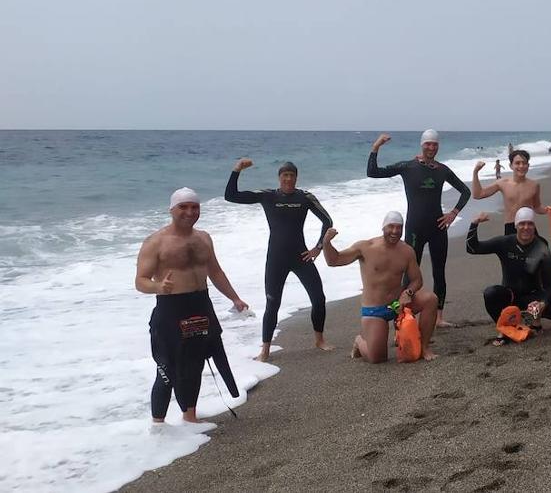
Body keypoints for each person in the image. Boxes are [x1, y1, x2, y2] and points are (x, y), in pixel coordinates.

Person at [135, 188, 249, 424]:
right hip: (171, 308)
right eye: (183, 207)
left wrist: (234, 298)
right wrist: (158, 287)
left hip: (201, 304)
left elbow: (215, 271)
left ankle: (190, 417)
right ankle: (158, 426)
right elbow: (140, 281)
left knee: (196, 363)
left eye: (194, 207)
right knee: (167, 368)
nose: (190, 212)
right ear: (172, 210)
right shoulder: (156, 242)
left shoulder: (204, 238)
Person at [225, 158, 333, 362]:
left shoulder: (306, 197)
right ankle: (265, 350)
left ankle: (319, 340)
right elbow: (231, 196)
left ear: (296, 178)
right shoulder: (268, 196)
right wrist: (237, 169)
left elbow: (327, 220)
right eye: (285, 175)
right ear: (279, 178)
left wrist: (318, 248)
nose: (289, 179)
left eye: (292, 175)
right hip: (276, 259)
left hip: (301, 256)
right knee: (272, 304)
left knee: (318, 299)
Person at [368, 130, 471, 327]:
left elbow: (465, 191)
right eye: (428, 144)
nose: (431, 147)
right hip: (415, 228)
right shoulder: (408, 166)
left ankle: (439, 317)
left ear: (438, 146)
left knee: (439, 272)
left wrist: (453, 213)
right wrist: (376, 147)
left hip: (438, 227)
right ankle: (406, 316)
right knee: (408, 274)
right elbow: (373, 172)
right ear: (421, 145)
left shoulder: (442, 170)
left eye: (434, 144)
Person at [322, 212, 439, 363]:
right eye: (391, 226)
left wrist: (408, 292)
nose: (395, 231)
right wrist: (326, 243)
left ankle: (424, 348)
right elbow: (334, 260)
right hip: (375, 309)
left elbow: (417, 280)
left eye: (399, 227)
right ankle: (359, 341)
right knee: (377, 358)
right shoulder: (365, 247)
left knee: (430, 299)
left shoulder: (406, 251)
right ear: (383, 227)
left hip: (398, 304)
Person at [466, 208, 551, 344]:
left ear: (534, 226)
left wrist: (542, 303)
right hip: (510, 296)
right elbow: (472, 248)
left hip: (532, 297)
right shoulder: (505, 243)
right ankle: (505, 326)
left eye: (530, 224)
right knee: (490, 293)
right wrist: (474, 224)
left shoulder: (541, 248)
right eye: (522, 224)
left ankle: (534, 322)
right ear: (516, 225)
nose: (526, 227)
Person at [472, 149, 549, 233]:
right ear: (511, 166)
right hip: (511, 227)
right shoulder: (502, 183)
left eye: (524, 163)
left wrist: (550, 210)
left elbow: (537, 207)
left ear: (528, 165)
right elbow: (478, 194)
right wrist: (475, 172)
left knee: (543, 245)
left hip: (528, 226)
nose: (521, 166)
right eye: (517, 163)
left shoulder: (534, 185)